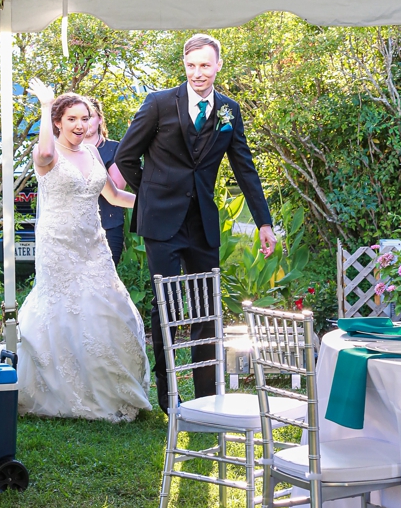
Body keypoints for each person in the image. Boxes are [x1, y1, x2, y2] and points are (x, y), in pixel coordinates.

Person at [115, 34, 275, 414]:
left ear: (218, 65)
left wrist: (264, 222)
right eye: (191, 65)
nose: (198, 73)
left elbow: (245, 169)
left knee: (207, 308)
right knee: (166, 308)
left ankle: (206, 397)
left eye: (205, 65)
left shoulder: (229, 111)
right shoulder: (158, 104)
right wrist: (151, 196)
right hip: (161, 225)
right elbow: (124, 158)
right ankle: (170, 398)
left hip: (202, 222)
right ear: (184, 66)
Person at [17, 84, 150, 422]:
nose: (79, 124)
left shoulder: (91, 153)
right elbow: (46, 154)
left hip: (93, 244)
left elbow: (115, 196)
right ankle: (63, 390)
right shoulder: (45, 154)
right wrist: (46, 105)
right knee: (65, 310)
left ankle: (108, 387)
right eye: (71, 118)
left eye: (84, 117)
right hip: (58, 243)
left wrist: (159, 205)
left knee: (110, 308)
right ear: (58, 121)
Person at [83, 95, 128, 267]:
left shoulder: (114, 148)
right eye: (81, 118)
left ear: (100, 119)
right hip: (76, 228)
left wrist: (92, 162)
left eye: (90, 117)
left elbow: (117, 188)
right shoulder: (66, 151)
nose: (86, 123)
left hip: (108, 225)